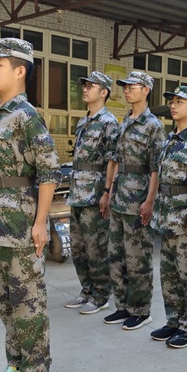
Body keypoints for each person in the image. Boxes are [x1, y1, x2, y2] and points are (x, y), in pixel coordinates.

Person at [0, 38, 61, 372]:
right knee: (6, 301)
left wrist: (41, 223)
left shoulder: (26, 116)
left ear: (20, 70)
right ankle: (15, 365)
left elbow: (49, 172)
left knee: (28, 301)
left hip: (21, 224)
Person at [103, 71, 165, 330]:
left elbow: (156, 168)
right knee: (116, 256)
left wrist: (150, 200)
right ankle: (123, 306)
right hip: (119, 198)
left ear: (146, 90)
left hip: (138, 199)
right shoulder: (124, 121)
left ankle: (140, 310)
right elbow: (116, 161)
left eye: (132, 87)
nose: (127, 91)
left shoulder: (153, 125)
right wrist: (108, 191)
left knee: (137, 257)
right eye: (125, 87)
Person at [148, 86, 187, 348]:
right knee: (169, 275)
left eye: (180, 102)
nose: (173, 106)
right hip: (166, 217)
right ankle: (173, 320)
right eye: (172, 101)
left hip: (185, 219)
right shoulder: (168, 140)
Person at [64, 72, 119, 314]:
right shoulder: (82, 121)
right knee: (78, 248)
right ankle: (86, 290)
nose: (85, 89)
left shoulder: (109, 122)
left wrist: (107, 192)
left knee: (96, 247)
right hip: (77, 192)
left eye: (90, 86)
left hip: (95, 194)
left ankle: (101, 294)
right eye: (84, 85)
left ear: (103, 92)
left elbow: (112, 161)